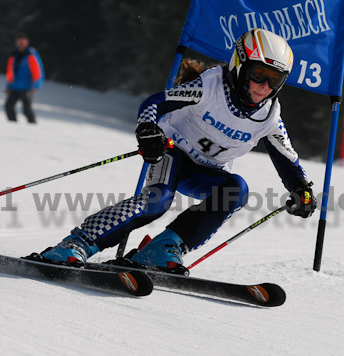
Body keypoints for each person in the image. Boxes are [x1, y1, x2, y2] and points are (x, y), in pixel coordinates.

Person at [35, 29, 317, 275]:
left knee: (236, 190)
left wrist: (301, 188)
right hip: (172, 153)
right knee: (156, 202)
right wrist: (147, 130)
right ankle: (77, 244)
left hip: (206, 173)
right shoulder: (211, 86)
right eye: (259, 75)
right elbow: (155, 103)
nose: (265, 87)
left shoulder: (269, 116)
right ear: (240, 64)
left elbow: (288, 160)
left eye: (275, 80)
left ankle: (162, 249)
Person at [4, 32, 44, 123]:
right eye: (18, 42)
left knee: (26, 109)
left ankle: (32, 125)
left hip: (27, 87)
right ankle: (12, 124)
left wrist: (36, 85)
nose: (20, 44)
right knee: (8, 106)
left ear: (27, 42)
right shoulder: (14, 54)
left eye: (22, 42)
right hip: (14, 86)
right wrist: (8, 85)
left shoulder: (31, 55)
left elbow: (37, 71)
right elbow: (10, 71)